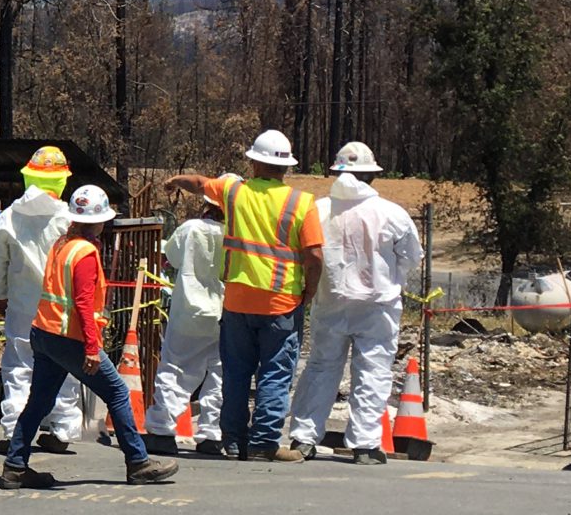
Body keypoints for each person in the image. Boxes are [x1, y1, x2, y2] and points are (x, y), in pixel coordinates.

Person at [0, 184, 178, 489]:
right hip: (71, 338)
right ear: (98, 221)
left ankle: (15, 466)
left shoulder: (61, 244)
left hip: (45, 332)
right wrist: (92, 349)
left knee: (39, 402)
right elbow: (82, 303)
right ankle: (138, 462)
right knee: (118, 393)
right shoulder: (85, 252)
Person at [164, 129, 325, 462]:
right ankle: (264, 443)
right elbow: (315, 256)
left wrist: (176, 179)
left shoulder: (234, 192)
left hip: (237, 302)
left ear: (253, 163)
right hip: (281, 303)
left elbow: (198, 183)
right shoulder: (301, 203)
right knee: (274, 372)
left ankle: (234, 440)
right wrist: (309, 291)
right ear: (287, 168)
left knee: (236, 374)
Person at [282, 141, 421, 465]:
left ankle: (303, 437)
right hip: (377, 305)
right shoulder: (391, 213)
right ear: (370, 176)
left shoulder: (317, 209)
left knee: (320, 367)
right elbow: (411, 257)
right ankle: (365, 445)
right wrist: (388, 276)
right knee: (372, 371)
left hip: (329, 302)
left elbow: (303, 252)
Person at [0, 145, 82, 453]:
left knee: (18, 366)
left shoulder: (9, 217)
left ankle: (15, 429)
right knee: (63, 363)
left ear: (29, 178)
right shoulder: (70, 218)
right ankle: (62, 429)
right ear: (61, 181)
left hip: (22, 302)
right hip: (60, 304)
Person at [145, 198, 224, 453]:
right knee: (219, 373)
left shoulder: (191, 228)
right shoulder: (236, 233)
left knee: (176, 368)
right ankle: (211, 434)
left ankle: (162, 430)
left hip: (189, 310)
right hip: (224, 310)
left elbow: (173, 256)